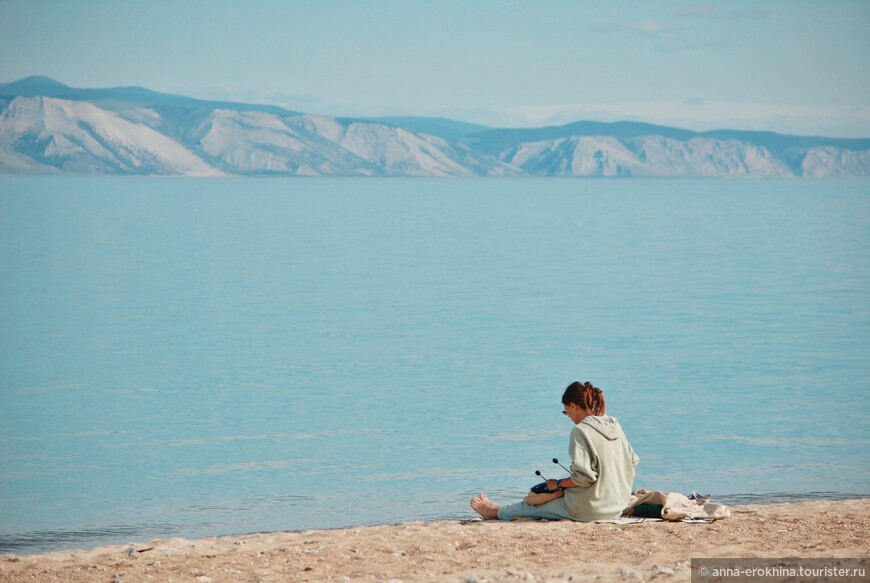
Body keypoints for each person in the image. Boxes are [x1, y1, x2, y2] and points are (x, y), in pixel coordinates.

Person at [470, 381, 639, 522]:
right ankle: (498, 508)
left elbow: (584, 477)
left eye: (566, 411)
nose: (568, 417)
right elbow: (632, 461)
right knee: (554, 498)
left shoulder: (581, 431)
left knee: (535, 507)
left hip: (591, 509)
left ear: (573, 406)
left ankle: (494, 512)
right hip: (617, 506)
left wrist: (557, 484)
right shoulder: (614, 425)